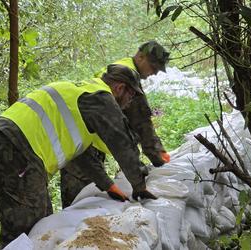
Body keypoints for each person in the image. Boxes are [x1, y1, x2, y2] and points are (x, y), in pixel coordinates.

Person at [0, 64, 157, 248]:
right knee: (25, 229)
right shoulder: (101, 99)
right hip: (16, 150)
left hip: (7, 143)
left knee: (40, 224)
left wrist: (108, 185)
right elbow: (123, 145)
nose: (130, 102)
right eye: (131, 95)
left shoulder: (83, 94)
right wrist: (139, 186)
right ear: (119, 88)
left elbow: (80, 155)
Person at [60, 40, 171, 208]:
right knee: (82, 202)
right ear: (140, 56)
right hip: (83, 145)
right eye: (153, 66)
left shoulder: (115, 69)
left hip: (83, 140)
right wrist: (158, 158)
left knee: (83, 200)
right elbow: (140, 126)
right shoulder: (127, 81)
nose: (154, 73)